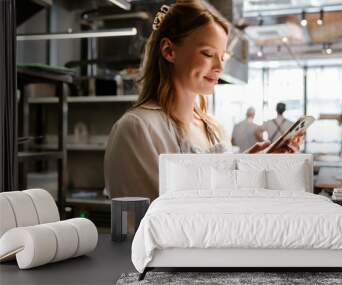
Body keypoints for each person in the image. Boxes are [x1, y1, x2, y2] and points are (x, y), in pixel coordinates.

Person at [104, 1, 303, 201]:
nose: (219, 67)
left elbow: (220, 191)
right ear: (169, 51)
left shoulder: (214, 129)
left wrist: (257, 163)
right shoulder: (137, 129)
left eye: (222, 56)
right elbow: (153, 222)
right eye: (208, 54)